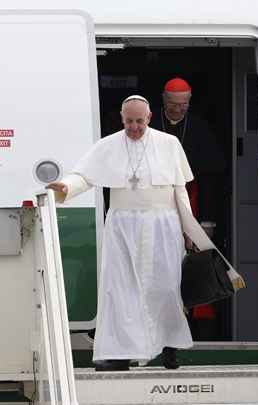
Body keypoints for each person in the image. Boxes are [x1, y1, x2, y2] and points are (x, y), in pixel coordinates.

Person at [47, 95, 194, 371]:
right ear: (121, 118)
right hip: (122, 225)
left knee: (166, 287)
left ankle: (169, 347)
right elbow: (84, 175)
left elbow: (180, 190)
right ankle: (119, 353)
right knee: (120, 289)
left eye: (140, 121)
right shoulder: (108, 145)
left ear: (149, 118)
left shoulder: (169, 144)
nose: (135, 127)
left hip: (163, 225)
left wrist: (190, 230)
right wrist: (65, 187)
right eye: (129, 122)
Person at [151, 77, 227, 340]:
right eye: (173, 104)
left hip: (193, 204)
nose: (178, 110)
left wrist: (207, 221)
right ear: (163, 100)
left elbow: (210, 178)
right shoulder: (149, 126)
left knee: (197, 270)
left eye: (183, 105)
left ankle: (200, 335)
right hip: (157, 208)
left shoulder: (199, 128)